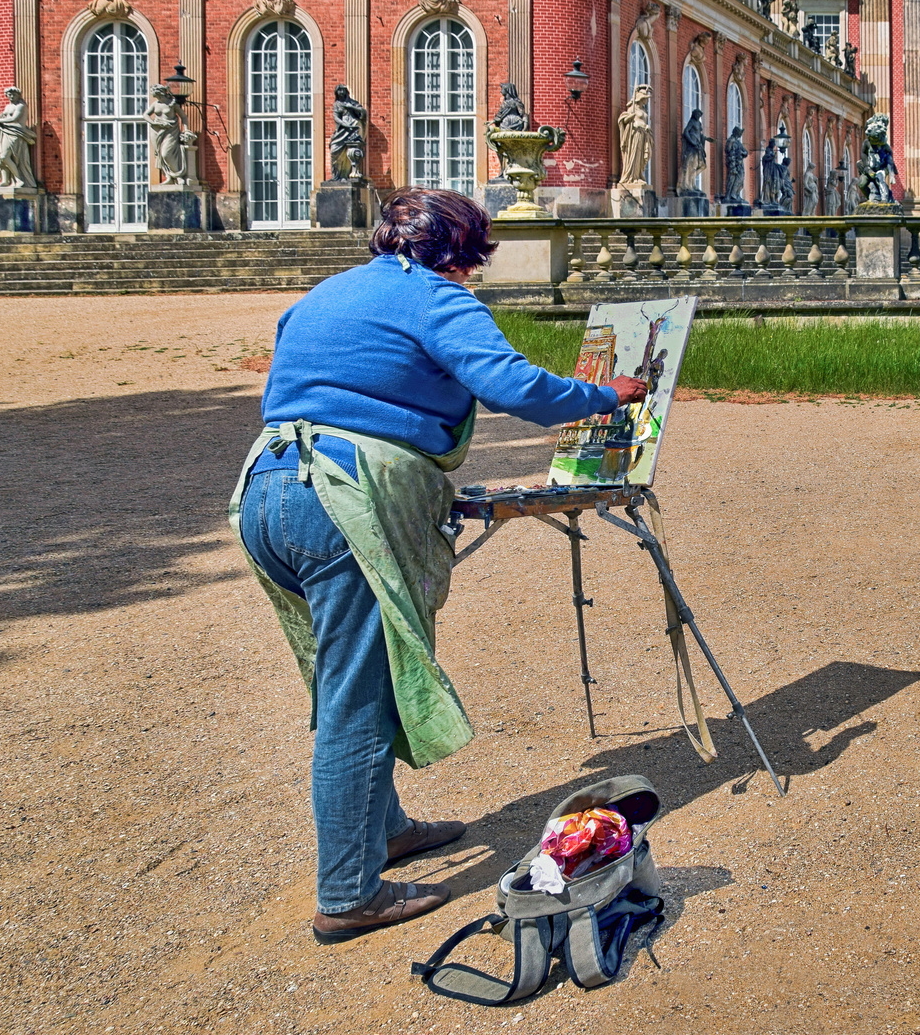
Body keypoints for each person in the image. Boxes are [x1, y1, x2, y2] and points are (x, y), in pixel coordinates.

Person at [231, 188, 646, 944]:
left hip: (267, 490)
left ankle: (382, 831)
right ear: (461, 252)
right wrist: (602, 394)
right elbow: (516, 387)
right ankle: (349, 892)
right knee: (357, 695)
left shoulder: (326, 294)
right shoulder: (435, 299)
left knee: (355, 672)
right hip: (342, 499)